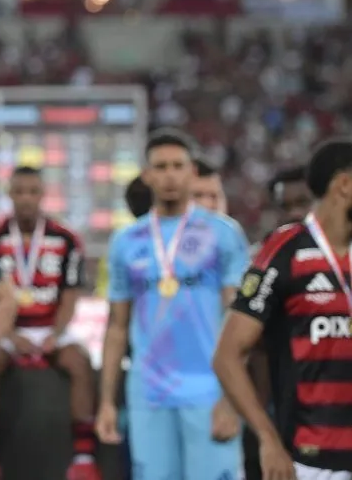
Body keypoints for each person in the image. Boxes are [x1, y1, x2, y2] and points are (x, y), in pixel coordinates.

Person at [97, 128, 248, 480]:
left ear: (192, 171)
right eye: (160, 167)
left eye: (177, 165)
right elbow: (117, 326)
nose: (169, 175)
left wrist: (232, 399)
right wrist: (107, 401)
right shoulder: (125, 241)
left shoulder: (222, 234)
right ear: (147, 175)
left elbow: (236, 322)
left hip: (210, 390)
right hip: (149, 392)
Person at [215, 139, 352, 480]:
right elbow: (227, 356)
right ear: (345, 185)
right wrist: (268, 439)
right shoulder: (284, 250)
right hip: (312, 462)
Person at [0, 165, 98, 480]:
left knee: (79, 361)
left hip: (51, 327)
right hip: (9, 328)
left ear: (42, 195)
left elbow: (70, 295)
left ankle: (83, 456)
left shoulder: (66, 239)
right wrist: (10, 334)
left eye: (32, 192)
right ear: (9, 194)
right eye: (19, 192)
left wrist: (55, 335)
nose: (26, 199)